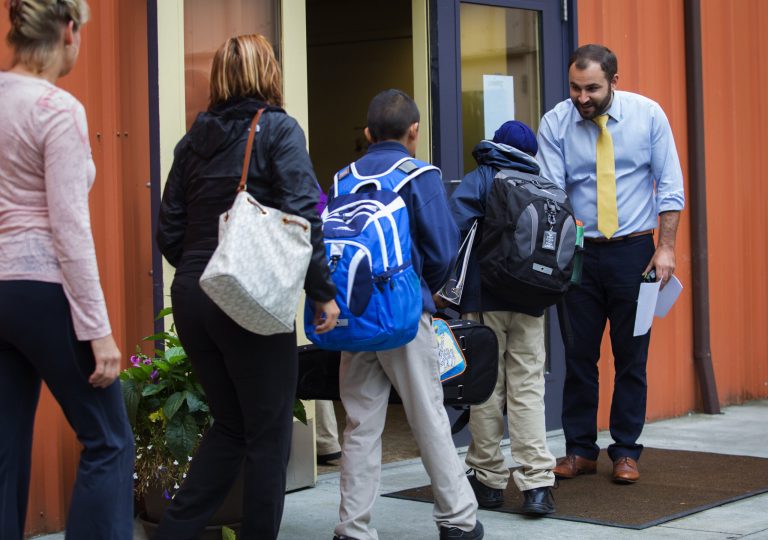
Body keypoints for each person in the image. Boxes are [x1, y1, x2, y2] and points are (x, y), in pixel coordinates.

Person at [154, 34, 339, 539]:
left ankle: (174, 531)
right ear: (269, 74)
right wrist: (320, 289)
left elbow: (167, 231)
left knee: (232, 425)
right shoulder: (278, 130)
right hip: (248, 300)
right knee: (268, 434)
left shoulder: (191, 142)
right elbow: (305, 214)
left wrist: (202, 271)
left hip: (193, 294)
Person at [0, 1, 134, 538]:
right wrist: (97, 331)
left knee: (5, 445)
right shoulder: (56, 109)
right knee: (108, 439)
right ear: (69, 31)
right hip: (41, 287)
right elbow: (71, 229)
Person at [330, 89, 483, 540]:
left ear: (367, 133)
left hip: (354, 316)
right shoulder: (420, 176)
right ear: (414, 132)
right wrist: (422, 291)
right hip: (402, 316)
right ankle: (458, 519)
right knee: (428, 415)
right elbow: (442, 251)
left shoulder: (343, 177)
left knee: (360, 422)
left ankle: (352, 529)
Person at [536, 44, 685, 484]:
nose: (582, 98)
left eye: (592, 89)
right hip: (579, 254)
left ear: (614, 83)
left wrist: (667, 249)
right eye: (575, 88)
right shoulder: (555, 122)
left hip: (633, 254)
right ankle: (580, 450)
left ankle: (625, 451)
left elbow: (671, 188)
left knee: (631, 356)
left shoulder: (649, 116)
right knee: (578, 356)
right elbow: (551, 193)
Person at [447, 120, 556, 515]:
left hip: (485, 299)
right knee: (528, 389)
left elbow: (452, 229)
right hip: (531, 301)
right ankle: (538, 485)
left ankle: (489, 482)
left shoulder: (483, 177)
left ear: (495, 145)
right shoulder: (543, 184)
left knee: (486, 390)